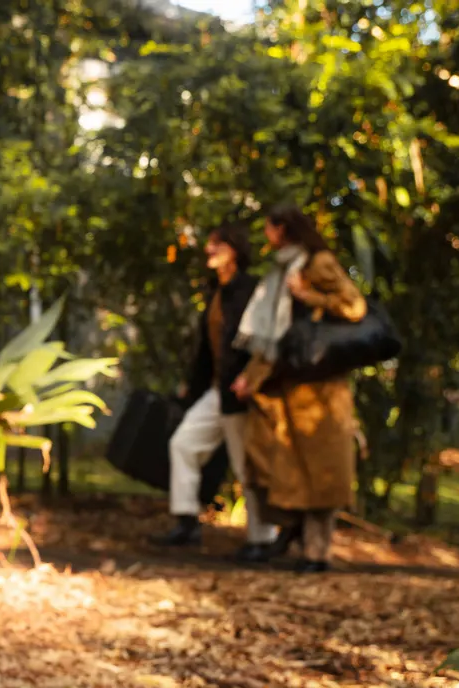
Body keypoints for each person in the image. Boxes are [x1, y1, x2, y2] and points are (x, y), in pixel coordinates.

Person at [231, 204, 367, 573]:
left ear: (283, 229)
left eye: (269, 228)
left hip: (320, 386)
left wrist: (308, 295)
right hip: (287, 384)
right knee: (273, 464)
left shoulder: (317, 263)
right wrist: (251, 375)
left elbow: (354, 307)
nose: (265, 235)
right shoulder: (281, 267)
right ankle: (291, 532)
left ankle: (317, 553)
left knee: (320, 474)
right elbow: (273, 335)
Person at [157, 223, 279, 560]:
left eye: (217, 244)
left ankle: (262, 538)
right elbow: (207, 350)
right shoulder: (216, 292)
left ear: (234, 250)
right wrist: (191, 387)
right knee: (183, 444)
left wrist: (251, 379)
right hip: (217, 390)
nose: (209, 250)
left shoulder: (251, 290)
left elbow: (262, 342)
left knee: (246, 466)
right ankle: (186, 522)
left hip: (242, 392)